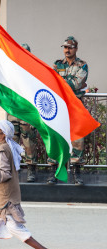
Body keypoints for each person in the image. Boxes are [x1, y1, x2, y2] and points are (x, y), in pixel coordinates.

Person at [0, 120, 57, 249]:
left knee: (14, 228)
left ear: (3, 134)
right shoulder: (2, 145)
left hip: (5, 197)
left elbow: (4, 175)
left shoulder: (2, 151)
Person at [47, 36, 88, 186]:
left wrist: (60, 82)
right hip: (58, 106)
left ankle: (76, 172)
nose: (67, 50)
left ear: (76, 49)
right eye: (65, 47)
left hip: (74, 106)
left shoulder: (82, 65)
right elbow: (51, 81)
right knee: (56, 138)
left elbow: (78, 84)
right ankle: (54, 171)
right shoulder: (57, 64)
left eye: (70, 47)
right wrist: (60, 82)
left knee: (77, 139)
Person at [8, 43, 38, 182]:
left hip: (27, 111)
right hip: (13, 110)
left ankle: (31, 169)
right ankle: (12, 168)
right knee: (11, 140)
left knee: (29, 141)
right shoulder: (11, 70)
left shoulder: (34, 71)